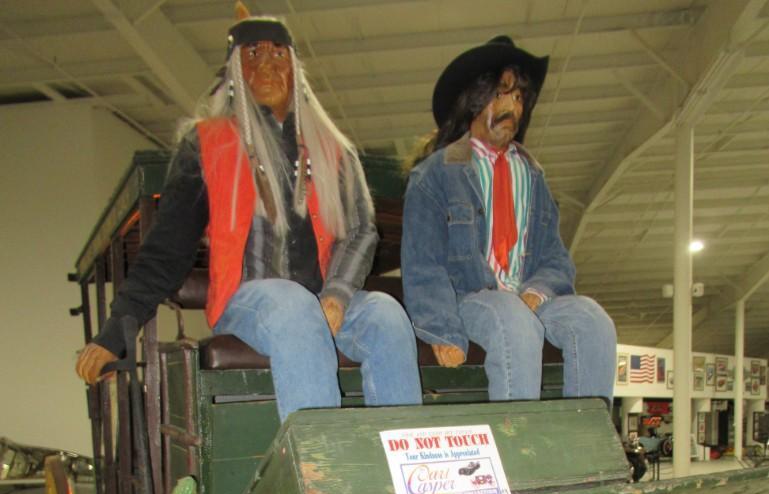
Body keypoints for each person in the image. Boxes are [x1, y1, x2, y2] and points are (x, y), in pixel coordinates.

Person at [76, 10, 422, 421]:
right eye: (252, 53)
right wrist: (116, 332)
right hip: (248, 300)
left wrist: (337, 294)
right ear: (235, 71)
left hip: (322, 298)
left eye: (278, 54)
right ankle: (317, 475)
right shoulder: (209, 144)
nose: (267, 65)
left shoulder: (332, 150)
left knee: (386, 315)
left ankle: (404, 466)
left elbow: (361, 230)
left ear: (296, 69)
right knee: (293, 306)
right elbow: (167, 249)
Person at [401, 35, 616, 404]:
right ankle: (520, 449)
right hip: (472, 298)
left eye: (519, 98)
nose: (512, 107)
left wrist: (536, 291)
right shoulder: (436, 175)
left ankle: (585, 447)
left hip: (530, 298)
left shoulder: (533, 176)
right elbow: (423, 265)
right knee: (511, 317)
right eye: (502, 94)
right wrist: (441, 331)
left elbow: (555, 257)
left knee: (593, 321)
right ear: (475, 98)